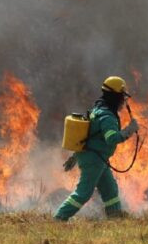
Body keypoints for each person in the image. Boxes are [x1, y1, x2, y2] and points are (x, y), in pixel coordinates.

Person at [53, 76, 139, 221]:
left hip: (98, 158)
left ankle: (116, 218)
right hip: (94, 159)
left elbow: (89, 136)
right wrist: (130, 130)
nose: (123, 101)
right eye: (122, 97)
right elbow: (112, 138)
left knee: (110, 190)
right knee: (83, 193)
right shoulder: (107, 117)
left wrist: (75, 156)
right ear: (116, 96)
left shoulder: (97, 110)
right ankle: (59, 219)